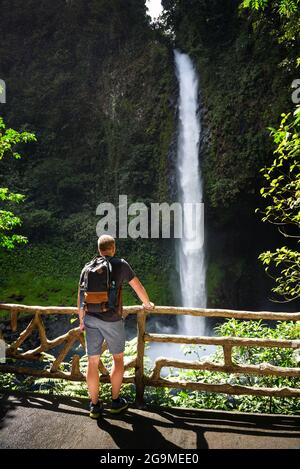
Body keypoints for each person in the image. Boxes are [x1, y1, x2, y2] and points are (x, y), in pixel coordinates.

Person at [77, 234, 154, 419]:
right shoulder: (121, 264)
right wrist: (147, 304)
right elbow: (137, 286)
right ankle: (115, 402)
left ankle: (94, 406)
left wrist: (81, 320)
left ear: (99, 249)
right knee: (118, 359)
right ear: (114, 248)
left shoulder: (88, 267)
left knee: (92, 362)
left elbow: (80, 297)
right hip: (112, 319)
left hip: (90, 319)